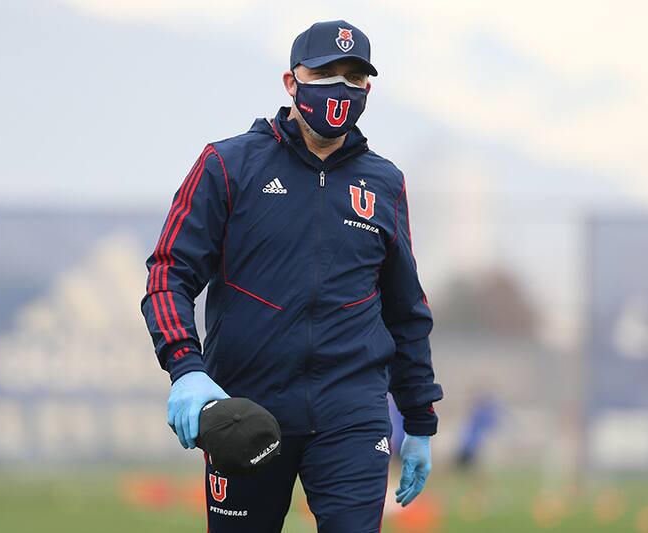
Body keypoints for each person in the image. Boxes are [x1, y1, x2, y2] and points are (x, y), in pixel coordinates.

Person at [140, 19, 443, 533]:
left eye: (354, 77)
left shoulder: (385, 183)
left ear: (368, 90)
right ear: (291, 81)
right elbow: (169, 272)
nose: (340, 88)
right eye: (324, 74)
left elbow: (405, 311)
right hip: (246, 411)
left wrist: (418, 419)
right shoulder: (227, 165)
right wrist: (185, 367)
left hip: (352, 414)